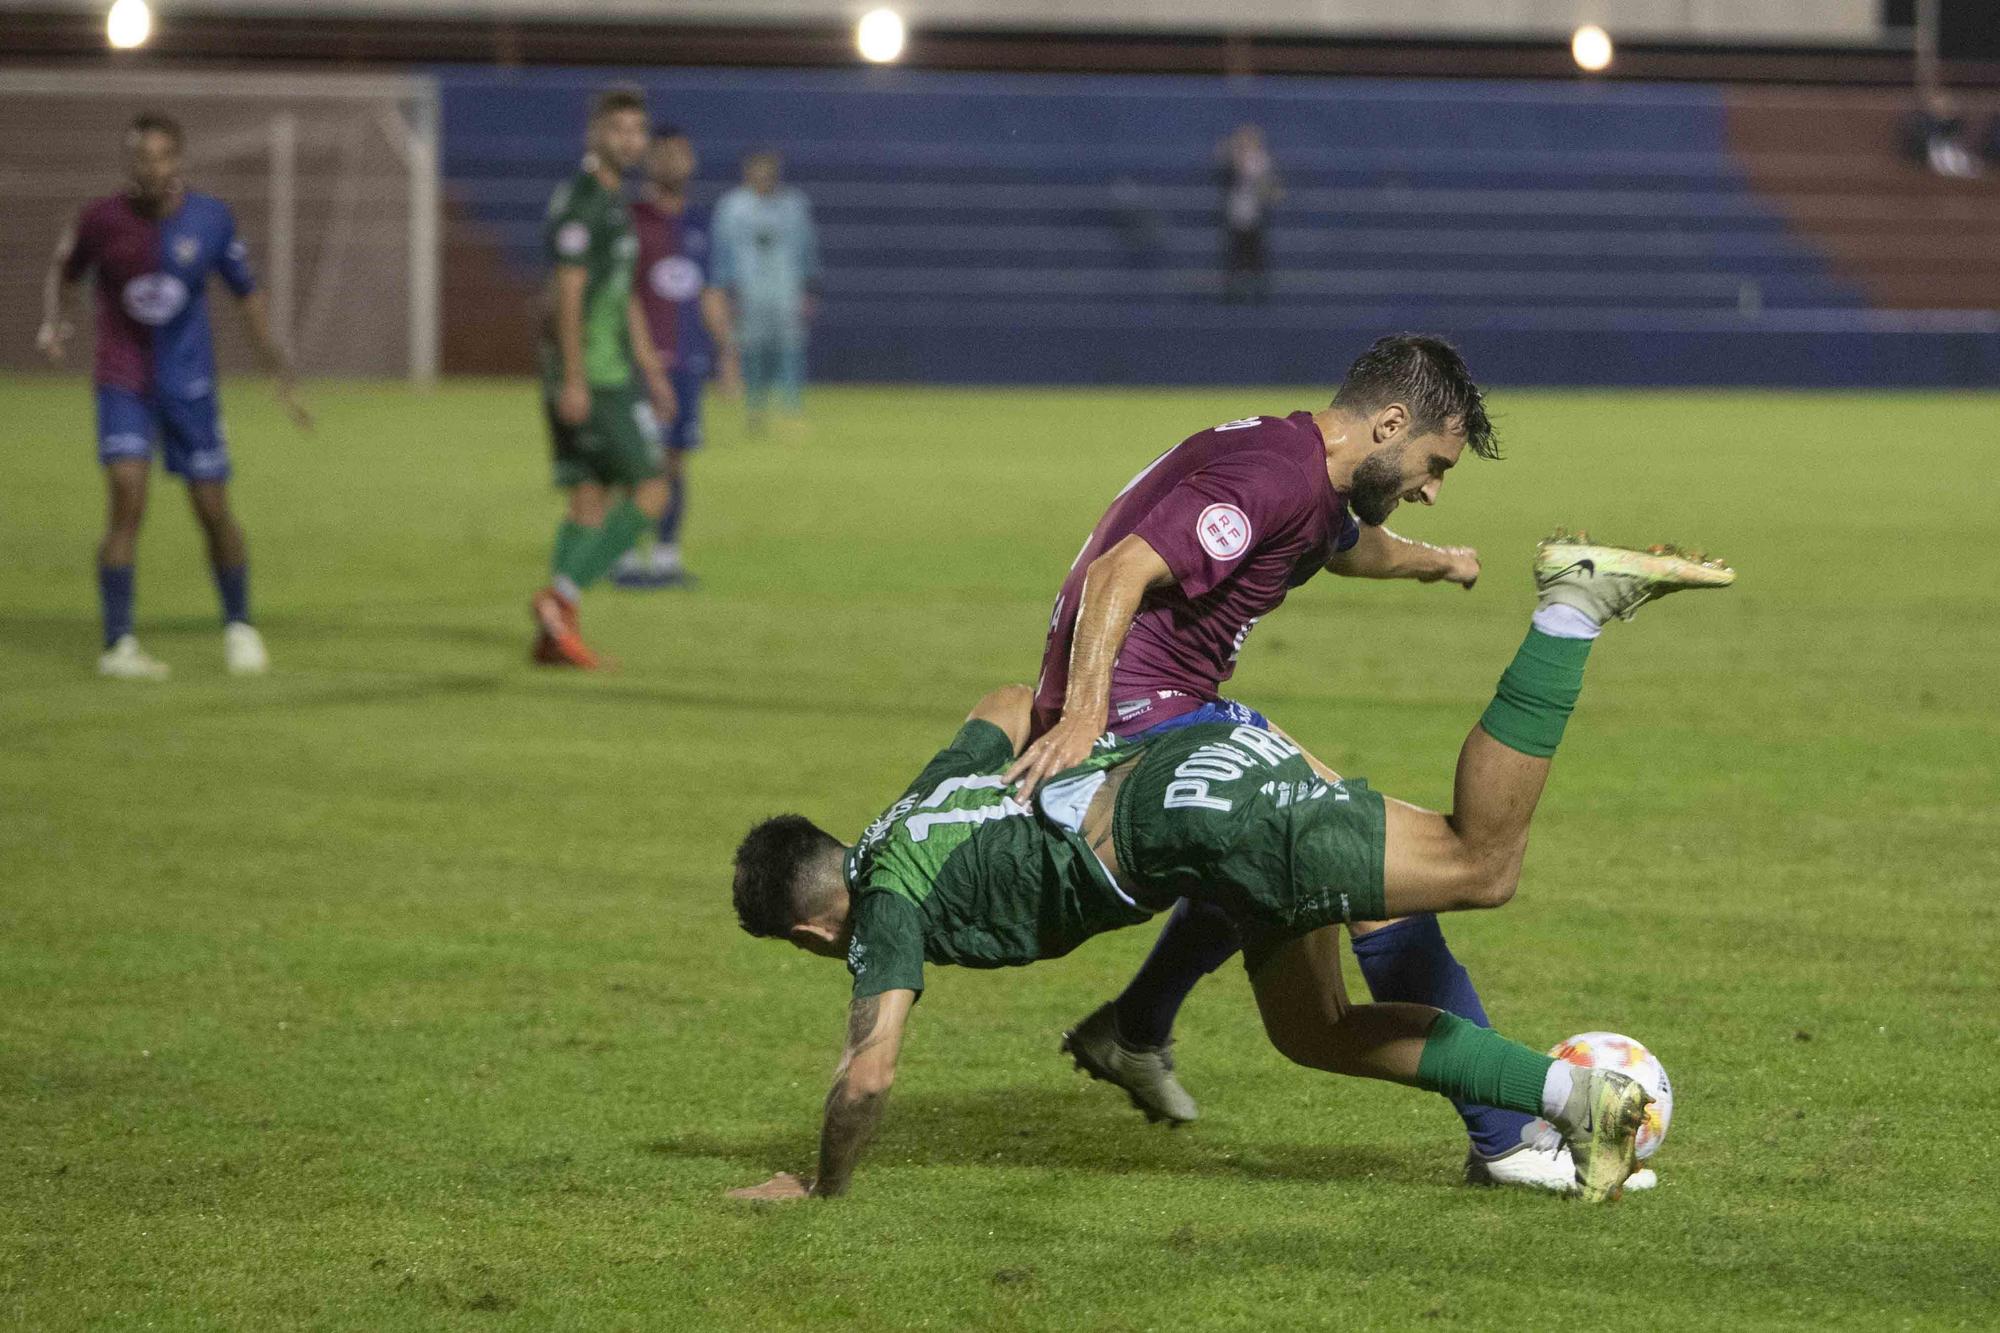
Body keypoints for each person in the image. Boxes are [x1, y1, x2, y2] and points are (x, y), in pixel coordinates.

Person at [725, 534, 1734, 1203]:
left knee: (1480, 862)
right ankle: (1572, 1110)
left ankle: (1569, 605)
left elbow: (870, 1073)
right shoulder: (913, 813)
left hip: (1210, 820)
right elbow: (998, 700)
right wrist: (1064, 743)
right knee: (1314, 1029)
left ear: (813, 929)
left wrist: (818, 1186)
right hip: (1195, 773)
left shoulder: (884, 908)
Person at [1004, 334, 1610, 1191]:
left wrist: (1437, 563)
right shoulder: (1273, 474)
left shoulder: (1305, 471)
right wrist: (1083, 718)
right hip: (1146, 729)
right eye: (1433, 465)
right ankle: (1508, 1134)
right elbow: (1117, 573)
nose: (1432, 491)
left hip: (1184, 713)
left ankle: (1134, 1026)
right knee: (1391, 868)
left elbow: (1341, 541)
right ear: (1391, 423)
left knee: (1300, 950)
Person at [37, 111, 311, 680]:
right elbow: (65, 270)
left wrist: (278, 373)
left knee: (213, 510)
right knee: (125, 499)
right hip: (124, 382)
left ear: (178, 161)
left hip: (190, 387)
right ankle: (118, 645)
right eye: (141, 157)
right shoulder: (100, 220)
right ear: (128, 162)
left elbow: (248, 298)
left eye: (161, 157)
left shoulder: (210, 221)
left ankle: (239, 627)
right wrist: (54, 322)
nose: (151, 168)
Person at [528, 85, 678, 669]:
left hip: (612, 370)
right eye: (618, 129)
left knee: (588, 500)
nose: (630, 140)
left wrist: (653, 370)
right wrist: (574, 378)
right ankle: (559, 598)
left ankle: (554, 636)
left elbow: (622, 298)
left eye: (637, 130)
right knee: (652, 490)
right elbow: (566, 295)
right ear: (595, 134)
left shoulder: (616, 203)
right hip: (594, 375)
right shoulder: (583, 201)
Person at [612, 125, 741, 590]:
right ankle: (624, 557)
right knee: (636, 462)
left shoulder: (701, 224)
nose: (674, 162)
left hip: (687, 365)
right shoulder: (631, 220)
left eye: (682, 154)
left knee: (675, 462)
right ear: (649, 162)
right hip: (640, 365)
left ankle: (665, 559)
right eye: (664, 154)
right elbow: (621, 295)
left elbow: (708, 293)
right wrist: (644, 359)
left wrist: (726, 351)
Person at [711, 149, 819, 434]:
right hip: (748, 291)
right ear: (747, 172)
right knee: (752, 351)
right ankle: (755, 409)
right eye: (757, 170)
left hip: (786, 289)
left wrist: (809, 288)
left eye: (768, 171)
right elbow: (721, 252)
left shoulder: (794, 205)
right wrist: (725, 291)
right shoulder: (732, 206)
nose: (763, 177)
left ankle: (791, 408)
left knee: (790, 349)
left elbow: (808, 248)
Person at [1217, 124, 1280, 303]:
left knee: (1254, 251)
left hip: (1254, 213)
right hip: (1237, 211)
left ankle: (1258, 287)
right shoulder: (1234, 157)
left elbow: (1266, 184)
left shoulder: (1261, 160)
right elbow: (1223, 157)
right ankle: (1234, 287)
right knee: (1236, 250)